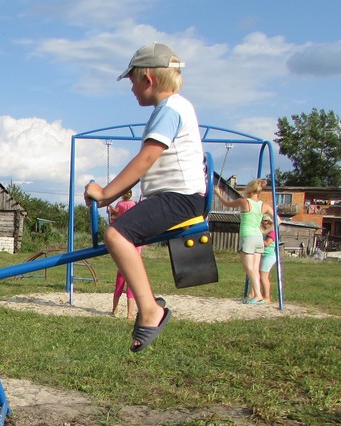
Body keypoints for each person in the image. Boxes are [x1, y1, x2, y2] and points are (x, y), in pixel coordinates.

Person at [85, 42, 206, 352]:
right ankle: (149, 306)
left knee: (116, 235)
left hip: (179, 198)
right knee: (120, 234)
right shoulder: (178, 108)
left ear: (148, 79)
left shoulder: (169, 110)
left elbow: (146, 159)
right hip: (179, 196)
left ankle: (150, 309)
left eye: (132, 82)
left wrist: (106, 195)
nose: (132, 90)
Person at [214, 179, 275, 304]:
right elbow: (278, 221)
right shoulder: (264, 205)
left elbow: (227, 203)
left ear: (249, 189)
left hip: (248, 237)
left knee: (249, 268)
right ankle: (252, 294)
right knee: (255, 268)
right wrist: (265, 231)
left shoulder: (244, 202)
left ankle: (258, 295)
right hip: (258, 238)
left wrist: (218, 193)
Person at [108, 190, 142, 319]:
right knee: (132, 283)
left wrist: (112, 210)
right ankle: (130, 313)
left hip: (122, 238)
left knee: (120, 280)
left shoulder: (120, 204)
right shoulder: (134, 204)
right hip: (134, 243)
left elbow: (115, 216)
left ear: (123, 195)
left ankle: (114, 309)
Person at [259, 214, 277, 303]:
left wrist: (257, 241)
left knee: (263, 277)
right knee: (261, 277)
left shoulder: (272, 232)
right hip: (265, 255)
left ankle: (267, 297)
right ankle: (262, 295)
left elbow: (267, 243)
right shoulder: (266, 231)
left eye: (264, 222)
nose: (263, 223)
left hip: (269, 256)